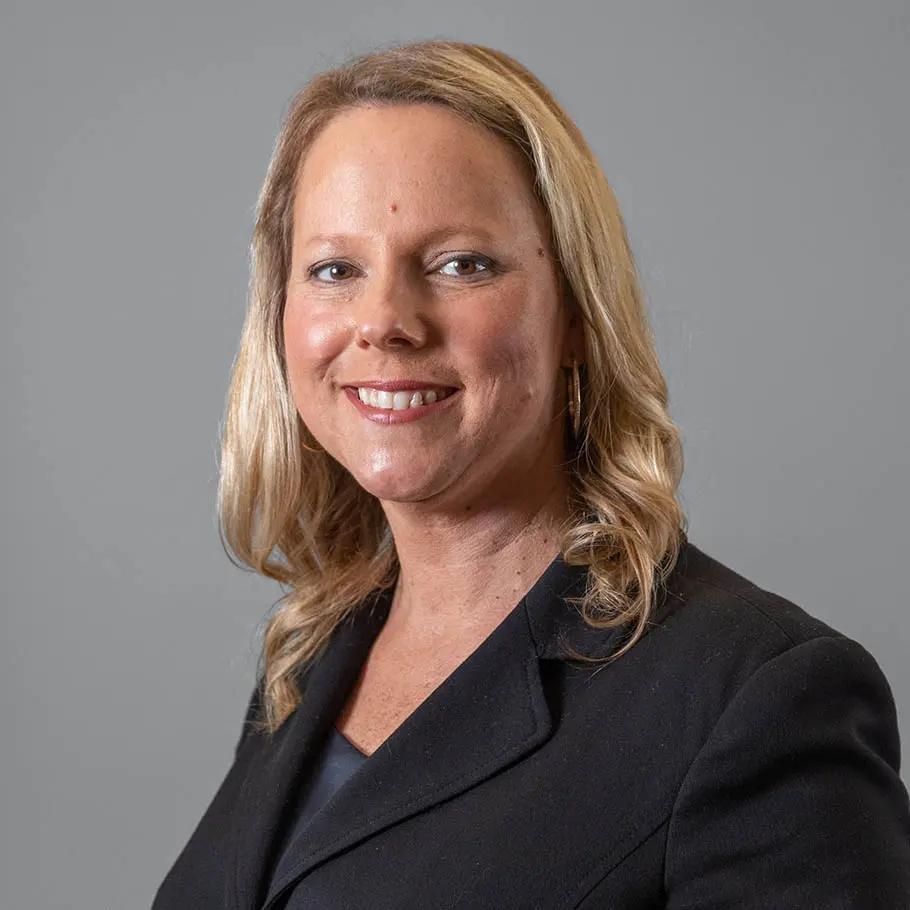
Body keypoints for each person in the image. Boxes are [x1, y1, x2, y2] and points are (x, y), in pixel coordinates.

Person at [152, 40, 910, 909]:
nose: (386, 322)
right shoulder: (310, 654)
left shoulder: (753, 698)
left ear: (579, 317)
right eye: (335, 269)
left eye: (461, 264)